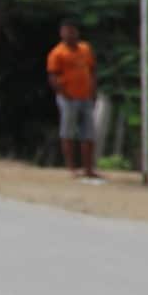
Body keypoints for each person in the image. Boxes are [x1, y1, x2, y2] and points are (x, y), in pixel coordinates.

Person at [46, 18, 100, 179]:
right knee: (68, 132)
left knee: (88, 133)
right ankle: (71, 168)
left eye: (73, 30)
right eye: (67, 30)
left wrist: (93, 90)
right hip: (68, 98)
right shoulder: (57, 53)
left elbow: (92, 70)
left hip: (86, 97)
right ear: (62, 33)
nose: (70, 33)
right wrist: (63, 93)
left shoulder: (85, 49)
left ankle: (88, 168)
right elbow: (52, 76)